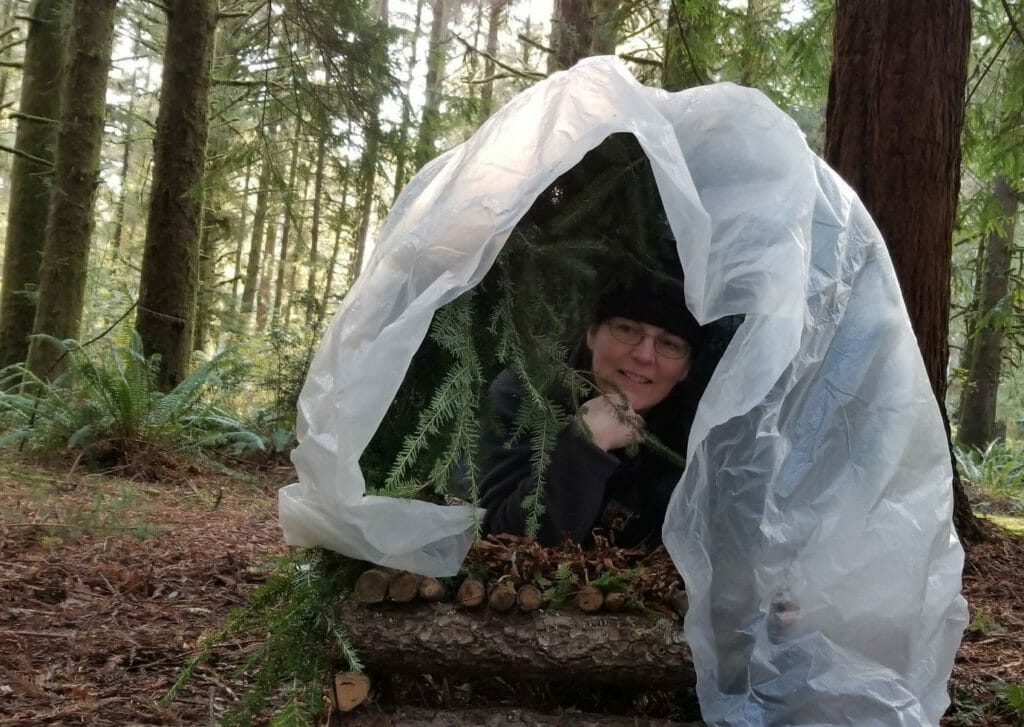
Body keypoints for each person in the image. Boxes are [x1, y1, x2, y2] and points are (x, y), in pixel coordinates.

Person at [478, 272, 702, 547]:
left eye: (669, 344)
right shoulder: (527, 395)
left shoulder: (693, 441)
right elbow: (498, 543)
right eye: (627, 329)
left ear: (686, 369)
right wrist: (586, 445)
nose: (644, 355)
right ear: (592, 334)